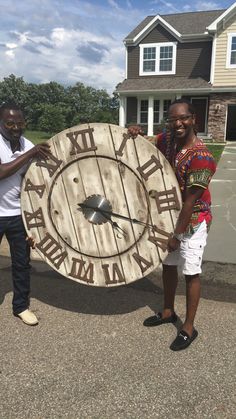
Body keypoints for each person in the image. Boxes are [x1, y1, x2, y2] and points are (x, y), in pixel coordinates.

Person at [129, 99, 216, 351]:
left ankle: (189, 327)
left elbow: (190, 202)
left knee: (190, 272)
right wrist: (136, 131)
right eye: (172, 119)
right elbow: (146, 144)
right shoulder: (167, 140)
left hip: (193, 220)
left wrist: (177, 234)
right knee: (168, 266)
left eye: (183, 118)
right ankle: (168, 311)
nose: (178, 123)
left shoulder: (202, 157)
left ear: (193, 119)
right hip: (167, 216)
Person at [0, 102, 51, 326]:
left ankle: (21, 306)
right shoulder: (28, 147)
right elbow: (1, 172)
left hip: (18, 215)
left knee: (21, 263)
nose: (15, 127)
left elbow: (34, 176)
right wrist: (31, 153)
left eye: (20, 123)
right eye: (10, 123)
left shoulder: (26, 143)